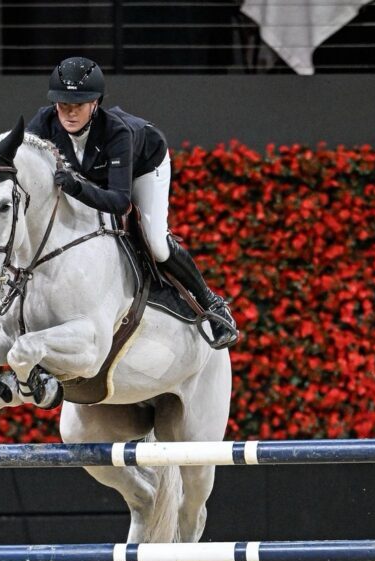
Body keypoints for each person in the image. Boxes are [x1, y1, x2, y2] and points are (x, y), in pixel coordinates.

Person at [26, 57, 239, 350]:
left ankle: (212, 305)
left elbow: (119, 202)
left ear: (95, 103)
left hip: (144, 166)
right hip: (92, 175)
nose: (70, 113)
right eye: (63, 104)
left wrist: (75, 187)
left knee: (156, 243)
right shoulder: (44, 123)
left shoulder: (117, 132)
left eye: (79, 104)